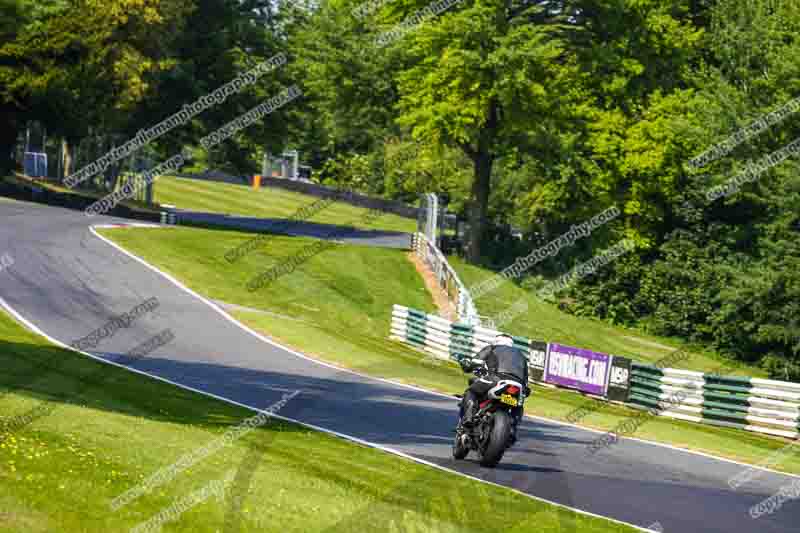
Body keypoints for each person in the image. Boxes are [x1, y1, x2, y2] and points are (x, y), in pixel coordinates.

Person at [458, 333, 531, 431]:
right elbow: (526, 379)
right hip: (518, 385)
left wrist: (466, 364)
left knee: (471, 391)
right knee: (518, 404)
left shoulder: (491, 348)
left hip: (496, 379)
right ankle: (513, 428)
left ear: (496, 342)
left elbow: (473, 363)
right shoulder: (521, 356)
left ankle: (468, 418)